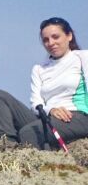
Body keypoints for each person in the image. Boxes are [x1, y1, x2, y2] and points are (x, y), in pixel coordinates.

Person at [19, 17, 88, 149]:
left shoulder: (83, 57)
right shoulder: (38, 69)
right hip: (47, 117)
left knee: (28, 133)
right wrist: (51, 109)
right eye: (46, 40)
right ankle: (6, 148)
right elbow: (35, 103)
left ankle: (42, 165)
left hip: (78, 116)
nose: (51, 43)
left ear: (69, 36)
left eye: (55, 37)